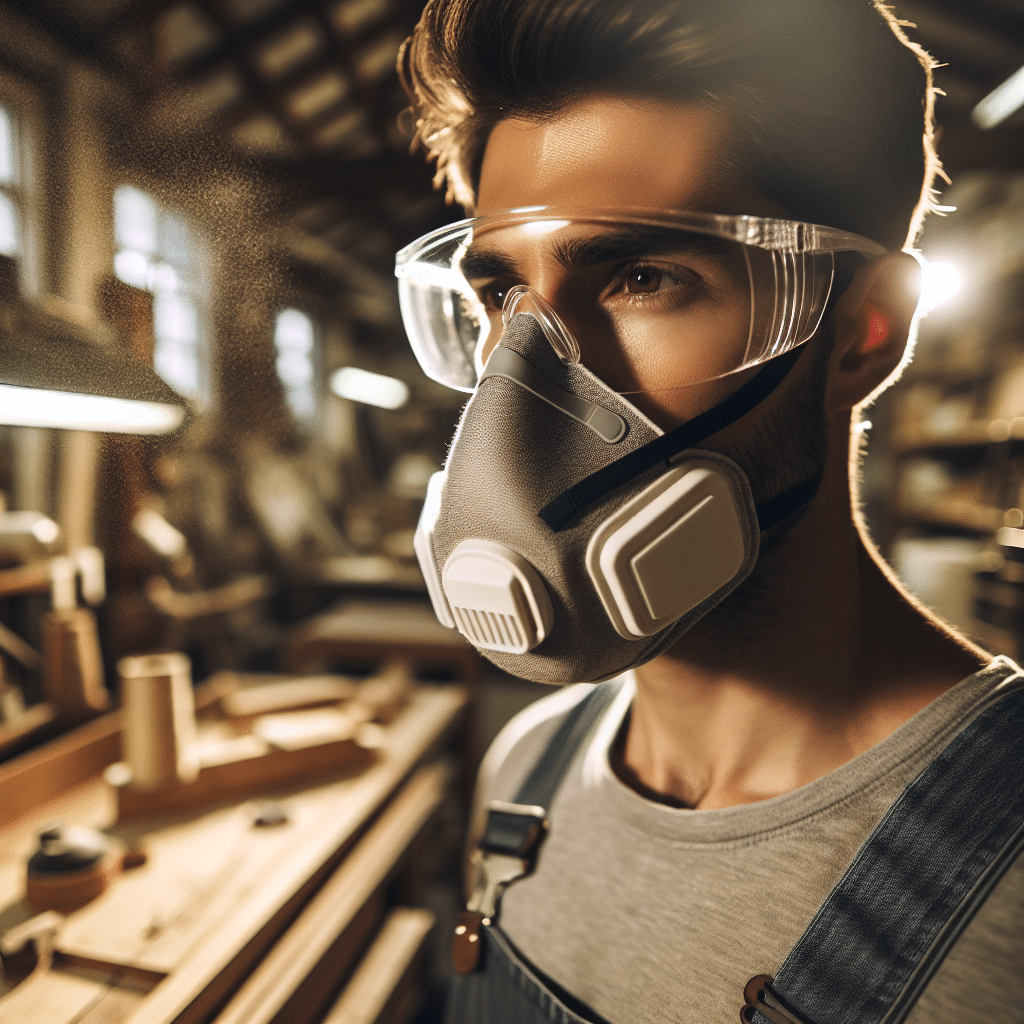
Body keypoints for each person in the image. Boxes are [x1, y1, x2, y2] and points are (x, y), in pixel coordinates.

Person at [394, 2, 1024, 1021]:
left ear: (863, 330)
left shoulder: (1005, 909)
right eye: (499, 297)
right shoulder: (525, 773)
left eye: (643, 278)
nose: (526, 378)